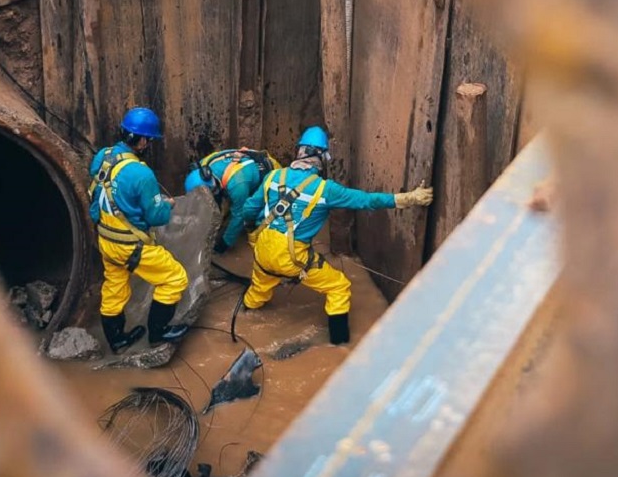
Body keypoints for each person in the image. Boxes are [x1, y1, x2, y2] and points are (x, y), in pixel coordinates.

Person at [240, 126, 433, 345]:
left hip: (262, 249)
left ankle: (246, 319)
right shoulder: (326, 190)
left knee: (259, 287)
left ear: (299, 151)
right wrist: (409, 199)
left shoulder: (274, 176)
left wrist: (251, 233)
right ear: (322, 158)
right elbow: (367, 200)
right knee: (339, 287)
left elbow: (249, 208)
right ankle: (339, 346)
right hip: (291, 258)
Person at [88, 107, 189, 353]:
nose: (149, 144)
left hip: (106, 239)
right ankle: (159, 334)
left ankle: (117, 341)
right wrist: (167, 205)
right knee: (175, 278)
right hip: (130, 246)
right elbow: (156, 216)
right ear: (142, 140)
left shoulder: (104, 155)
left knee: (115, 286)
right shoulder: (142, 173)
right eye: (149, 140)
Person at [183, 148, 282, 254]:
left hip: (274, 176)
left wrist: (224, 243)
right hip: (248, 170)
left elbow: (239, 215)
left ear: (213, 188)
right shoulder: (205, 164)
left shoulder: (237, 185)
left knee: (253, 213)